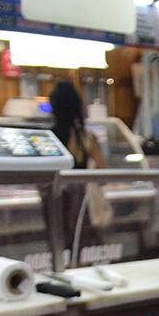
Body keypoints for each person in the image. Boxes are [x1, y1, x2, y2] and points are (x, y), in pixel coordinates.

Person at [46, 80, 110, 260]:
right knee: (81, 247)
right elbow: (103, 174)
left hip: (54, 204)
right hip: (81, 205)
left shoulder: (48, 138)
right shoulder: (86, 138)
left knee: (58, 247)